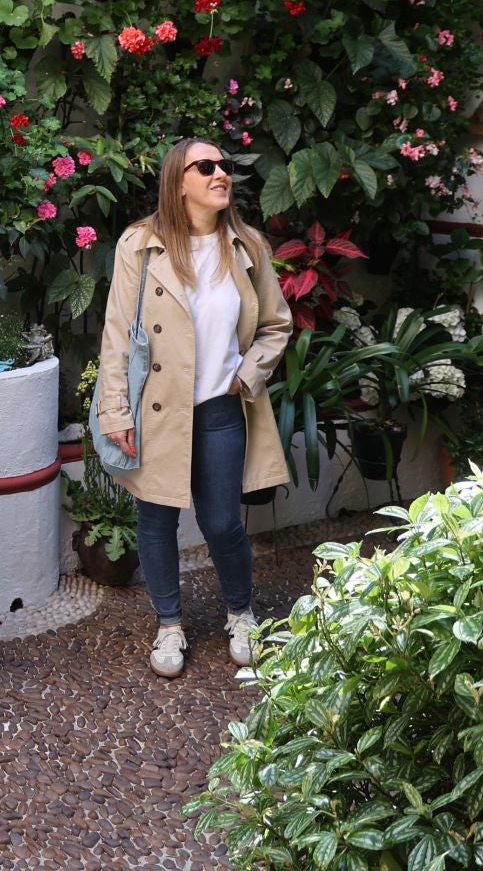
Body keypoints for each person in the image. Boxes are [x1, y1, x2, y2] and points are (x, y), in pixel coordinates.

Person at [94, 138, 292, 679]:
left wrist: (245, 377)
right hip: (157, 409)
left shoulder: (247, 246)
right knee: (155, 519)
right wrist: (116, 412)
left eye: (224, 165)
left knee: (224, 522)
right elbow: (117, 335)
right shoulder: (141, 244)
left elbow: (276, 325)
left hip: (221, 408)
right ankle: (169, 624)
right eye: (205, 166)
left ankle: (241, 614)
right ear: (177, 181)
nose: (220, 173)